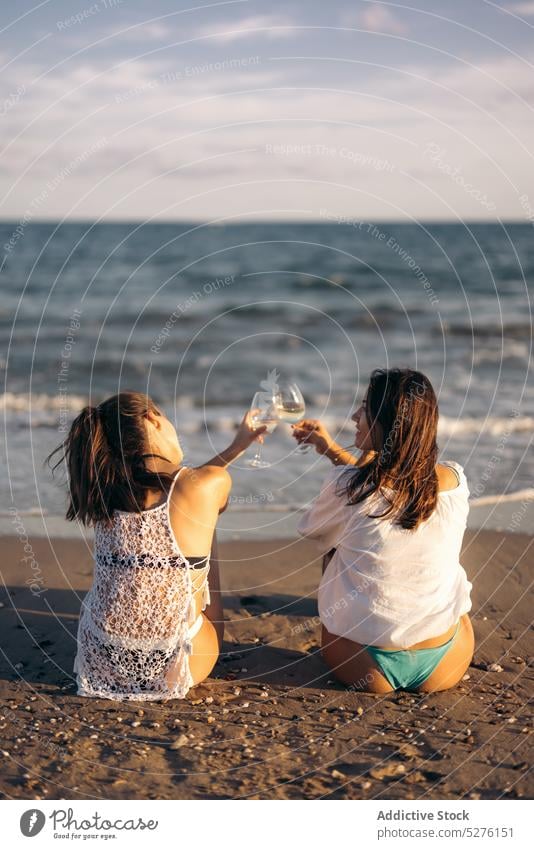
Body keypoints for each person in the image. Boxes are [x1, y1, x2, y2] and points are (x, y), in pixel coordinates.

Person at [47, 391, 265, 702]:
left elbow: (184, 488)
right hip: (178, 663)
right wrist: (234, 451)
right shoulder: (207, 484)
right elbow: (200, 493)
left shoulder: (104, 490)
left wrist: (235, 447)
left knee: (189, 526)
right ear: (152, 418)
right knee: (204, 529)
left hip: (102, 659)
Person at [293, 368, 474, 694]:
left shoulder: (346, 487)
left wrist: (350, 460)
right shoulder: (455, 482)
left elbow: (318, 527)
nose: (354, 416)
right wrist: (333, 450)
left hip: (363, 662)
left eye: (365, 408)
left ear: (385, 423)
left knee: (334, 544)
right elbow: (390, 486)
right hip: (447, 660)